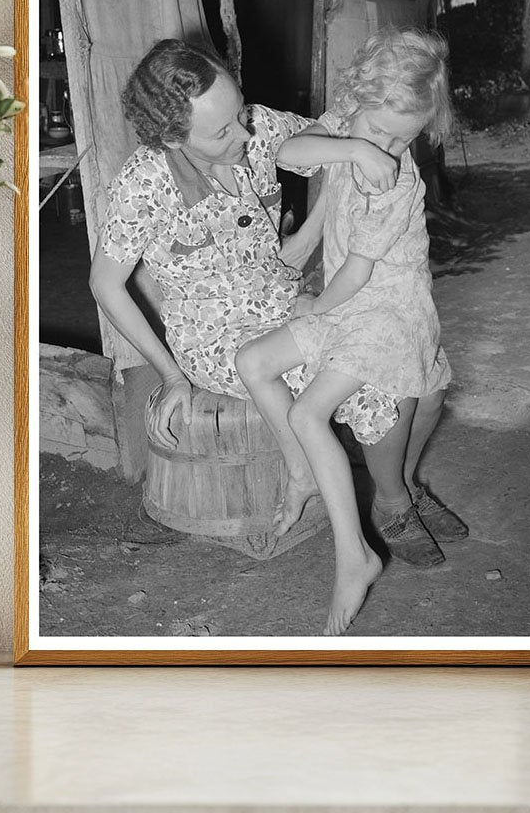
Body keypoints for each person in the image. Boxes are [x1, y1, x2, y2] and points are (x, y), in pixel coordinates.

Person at [90, 37, 464, 580]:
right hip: (218, 335)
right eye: (223, 131)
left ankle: (393, 495)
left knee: (413, 374)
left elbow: (332, 134)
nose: (245, 133)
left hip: (286, 300)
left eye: (240, 113)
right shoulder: (143, 185)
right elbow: (106, 285)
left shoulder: (256, 127)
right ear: (173, 137)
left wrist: (361, 147)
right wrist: (170, 374)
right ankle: (391, 505)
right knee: (373, 382)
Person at [235, 27, 462, 636]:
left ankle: (356, 554)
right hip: (347, 300)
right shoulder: (344, 124)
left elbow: (359, 274)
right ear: (355, 99)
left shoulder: (399, 184)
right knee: (252, 360)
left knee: (317, 412)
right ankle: (318, 475)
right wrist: (352, 148)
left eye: (403, 140)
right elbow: (289, 154)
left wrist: (313, 308)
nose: (387, 150)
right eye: (379, 131)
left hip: (384, 310)